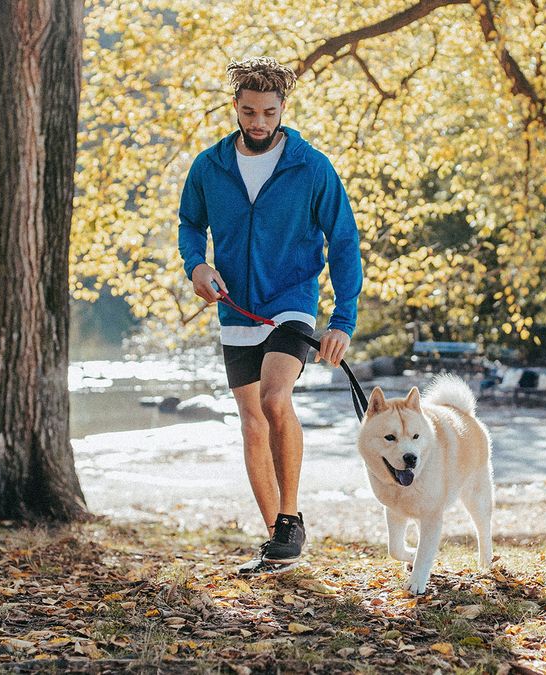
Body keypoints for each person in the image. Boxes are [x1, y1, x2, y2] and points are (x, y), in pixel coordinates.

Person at [177, 57, 362, 575]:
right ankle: (278, 544)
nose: (258, 122)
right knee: (252, 424)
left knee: (275, 398)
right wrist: (197, 265)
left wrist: (342, 320)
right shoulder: (209, 166)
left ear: (283, 109)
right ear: (235, 107)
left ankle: (289, 517)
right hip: (235, 306)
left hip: (291, 301)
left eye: (268, 113)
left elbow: (344, 241)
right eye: (249, 112)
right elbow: (190, 224)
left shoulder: (311, 167)